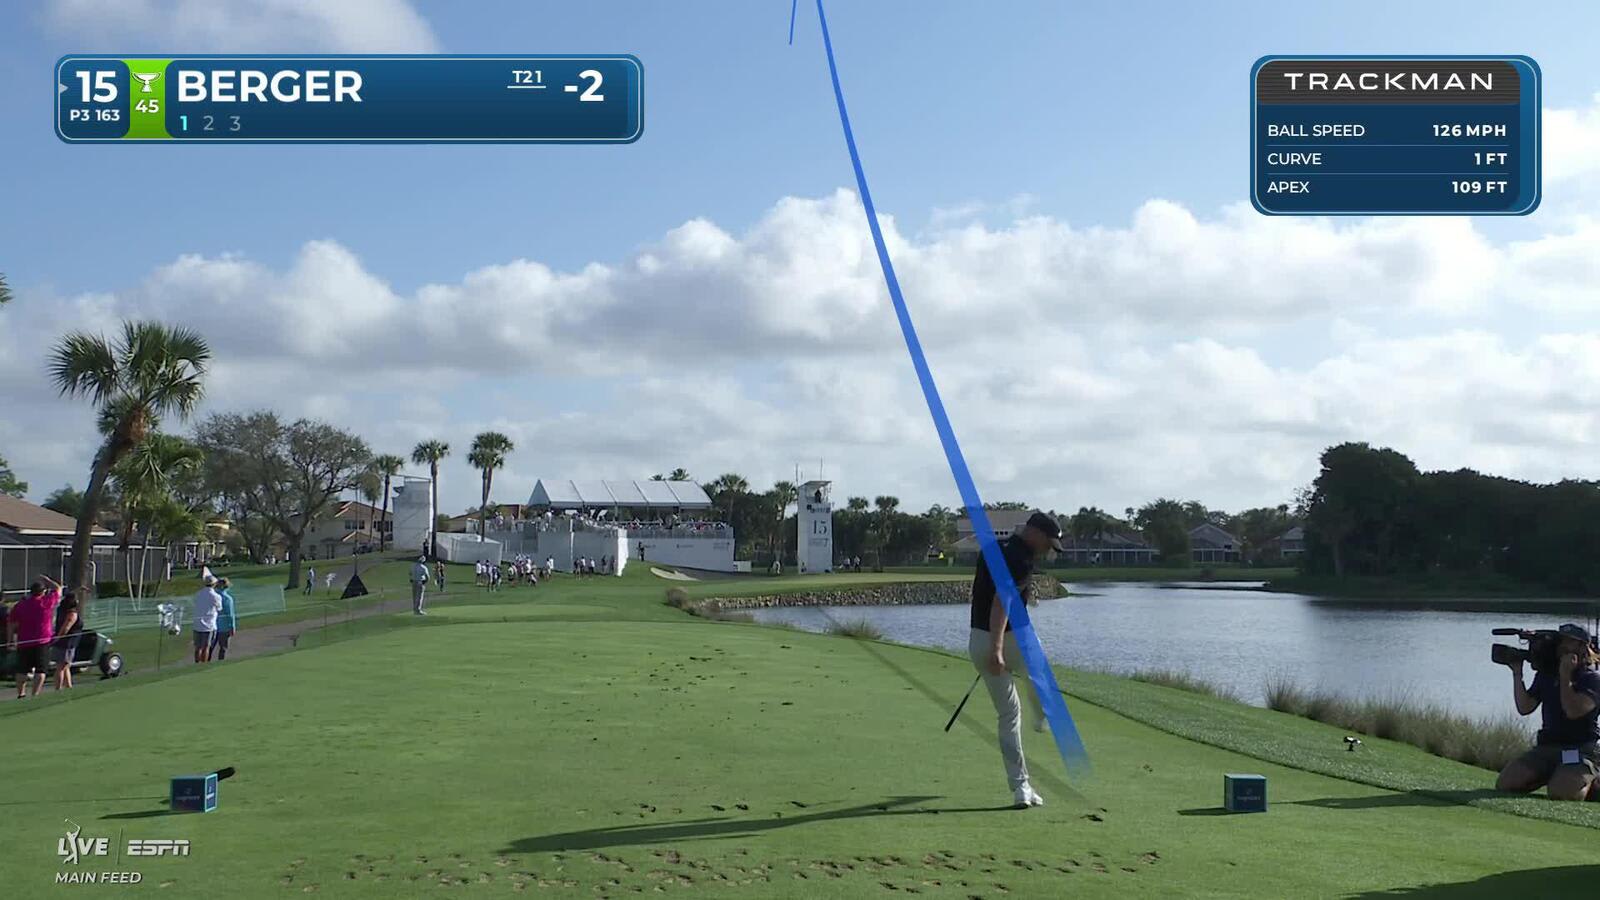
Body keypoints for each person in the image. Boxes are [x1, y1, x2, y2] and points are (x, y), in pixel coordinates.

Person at [967, 511, 1063, 810]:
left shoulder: (992, 549)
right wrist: (997, 649)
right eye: (1049, 543)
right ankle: (1041, 715)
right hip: (1007, 637)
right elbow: (1001, 602)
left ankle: (1021, 788)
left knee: (1009, 716)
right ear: (1035, 534)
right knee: (1038, 675)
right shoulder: (1021, 559)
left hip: (978, 638)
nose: (1049, 549)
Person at [1496, 623, 1600, 801]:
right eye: (1562, 641)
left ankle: (1594, 782)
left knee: (1561, 794)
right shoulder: (1546, 674)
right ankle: (1554, 774)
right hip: (1547, 747)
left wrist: (1565, 676)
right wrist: (1517, 673)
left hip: (1579, 750)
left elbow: (1573, 711)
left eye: (1570, 642)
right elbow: (1525, 707)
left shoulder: (1592, 680)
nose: (1563, 647)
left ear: (1583, 648)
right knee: (1506, 784)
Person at [7, 576, 62, 699]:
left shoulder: (21, 605)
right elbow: (58, 588)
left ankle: (21, 693)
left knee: (22, 670)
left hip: (24, 641)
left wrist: (10, 640)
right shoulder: (46, 602)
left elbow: (11, 624)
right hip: (42, 641)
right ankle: (35, 694)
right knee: (40, 670)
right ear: (43, 592)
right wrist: (47, 579)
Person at [53, 588, 84, 690]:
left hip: (64, 643)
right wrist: (58, 637)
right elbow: (65, 628)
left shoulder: (61, 609)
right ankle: (58, 689)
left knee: (66, 666)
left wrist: (79, 589)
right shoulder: (72, 614)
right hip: (67, 643)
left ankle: (69, 686)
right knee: (61, 667)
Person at [192, 575, 223, 663]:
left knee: (198, 647)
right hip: (209, 625)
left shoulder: (198, 594)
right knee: (206, 647)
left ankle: (196, 663)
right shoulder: (216, 596)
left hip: (197, 624)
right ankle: (203, 664)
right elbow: (219, 608)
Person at [211, 577, 238, 660]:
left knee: (210, 648)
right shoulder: (227, 599)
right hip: (224, 627)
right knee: (223, 648)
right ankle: (220, 663)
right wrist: (232, 626)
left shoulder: (213, 596)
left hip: (213, 626)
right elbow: (230, 614)